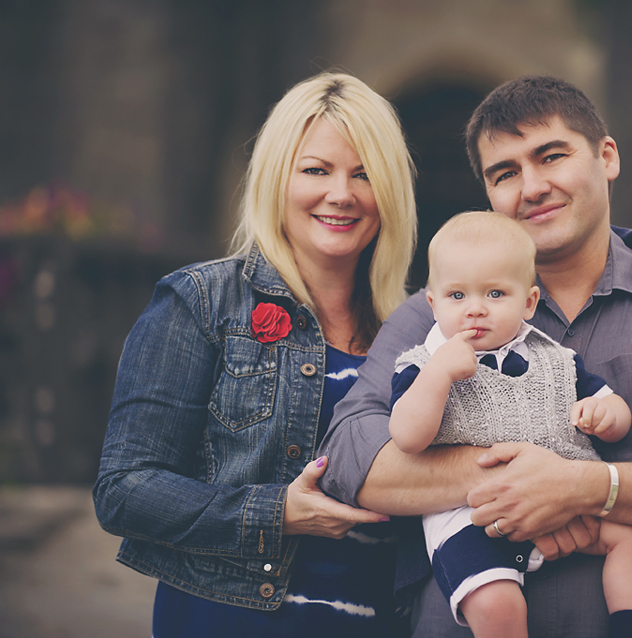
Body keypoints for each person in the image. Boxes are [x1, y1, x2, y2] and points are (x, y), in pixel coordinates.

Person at [320, 75, 632, 638]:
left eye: (551, 156)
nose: (532, 187)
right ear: (490, 197)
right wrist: (520, 481)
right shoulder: (441, 315)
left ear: (607, 157)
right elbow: (350, 454)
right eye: (505, 174)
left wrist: (583, 486)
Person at [93, 72, 418, 637]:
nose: (342, 193)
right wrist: (278, 514)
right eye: (316, 169)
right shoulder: (202, 301)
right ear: (277, 179)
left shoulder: (420, 330)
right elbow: (125, 490)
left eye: (365, 174)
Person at [389, 211, 632, 638]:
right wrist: (438, 377)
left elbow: (615, 408)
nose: (475, 309)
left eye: (495, 293)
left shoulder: (556, 360)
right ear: (432, 303)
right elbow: (406, 437)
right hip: (472, 518)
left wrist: (606, 417)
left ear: (529, 302)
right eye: (457, 296)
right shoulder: (420, 367)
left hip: (566, 502)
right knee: (496, 603)